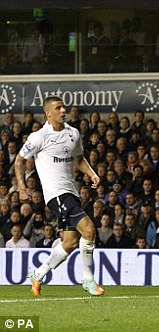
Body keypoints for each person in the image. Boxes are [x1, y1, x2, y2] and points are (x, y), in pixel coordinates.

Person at [15, 96, 105, 297]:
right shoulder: (39, 137)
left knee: (71, 242)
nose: (63, 110)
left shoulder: (73, 134)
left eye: (63, 107)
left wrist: (91, 174)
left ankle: (38, 274)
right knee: (89, 231)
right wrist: (21, 187)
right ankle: (89, 280)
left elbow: (79, 160)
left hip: (71, 193)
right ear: (48, 113)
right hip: (55, 195)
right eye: (58, 108)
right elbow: (19, 161)